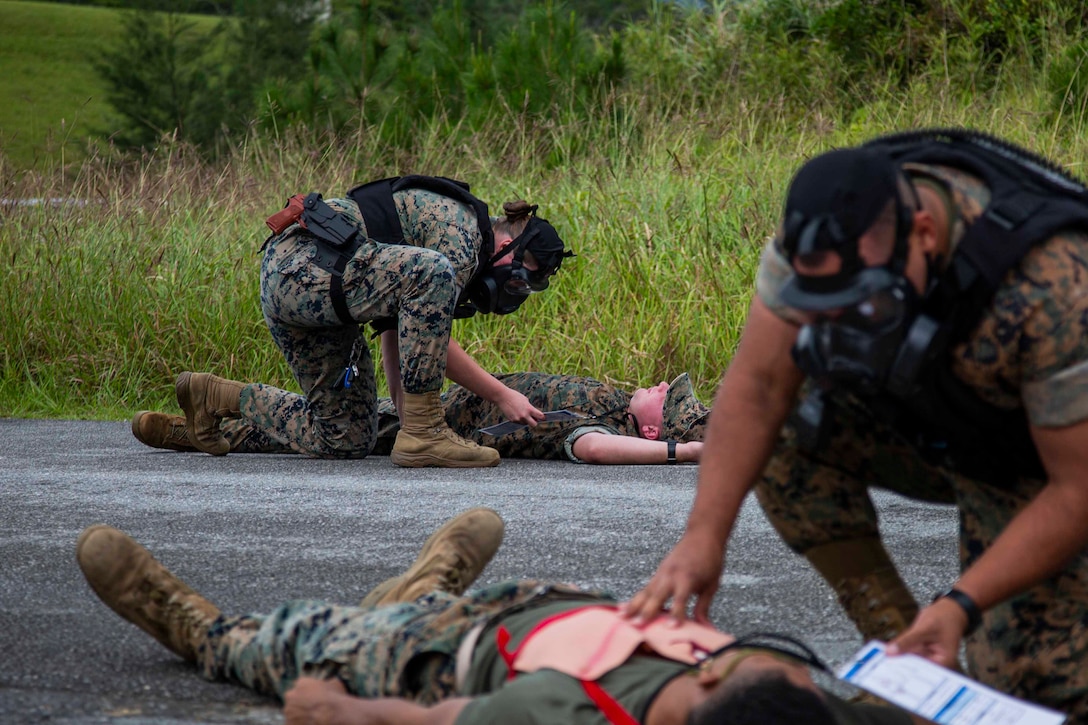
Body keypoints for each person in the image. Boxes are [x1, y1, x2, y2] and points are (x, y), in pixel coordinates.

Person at [625, 129, 1088, 717]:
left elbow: (1077, 489)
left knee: (1032, 683)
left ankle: (950, 637)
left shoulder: (1054, 285)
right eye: (826, 312)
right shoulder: (815, 250)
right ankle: (903, 655)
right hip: (947, 422)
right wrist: (704, 535)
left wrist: (961, 606)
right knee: (785, 425)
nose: (848, 326)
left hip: (1044, 463)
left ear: (924, 234)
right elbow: (759, 388)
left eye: (868, 305)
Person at [75, 508, 922, 724]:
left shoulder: (554, 713)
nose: (753, 658)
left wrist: (331, 707)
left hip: (446, 652)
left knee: (290, 649)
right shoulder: (811, 703)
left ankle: (194, 623)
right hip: (552, 600)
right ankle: (428, 584)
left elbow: (419, 717)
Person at [171, 175, 573, 468]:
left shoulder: (452, 251)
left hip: (311, 287)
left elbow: (402, 328)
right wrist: (502, 395)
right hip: (306, 266)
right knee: (435, 273)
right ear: (506, 246)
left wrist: (402, 409)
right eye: (524, 275)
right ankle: (426, 432)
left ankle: (217, 397)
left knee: (345, 438)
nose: (518, 288)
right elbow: (434, 332)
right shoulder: (464, 234)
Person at [132, 372, 710, 465]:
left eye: (667, 395)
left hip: (442, 425)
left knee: (337, 434)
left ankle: (216, 413)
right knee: (338, 425)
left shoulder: (601, 429)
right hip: (438, 408)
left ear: (653, 430)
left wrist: (683, 454)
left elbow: (592, 451)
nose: (662, 383)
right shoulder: (610, 400)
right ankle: (212, 426)